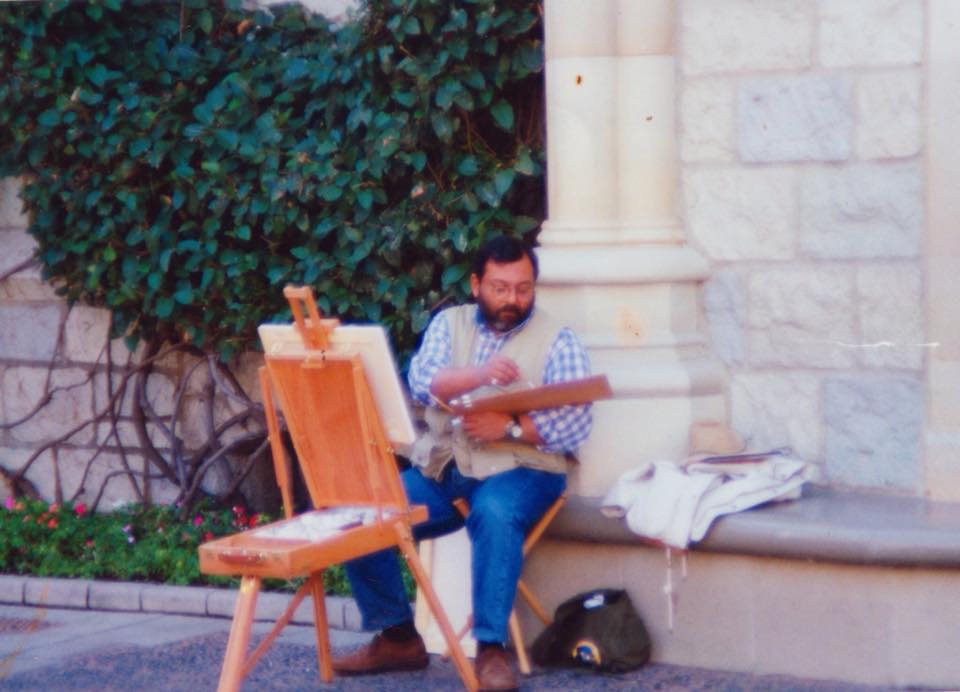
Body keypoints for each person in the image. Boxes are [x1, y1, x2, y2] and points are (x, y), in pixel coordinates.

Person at [332, 235, 593, 691]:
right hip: (448, 467)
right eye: (500, 287)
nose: (513, 299)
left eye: (523, 288)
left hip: (524, 469)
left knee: (495, 512)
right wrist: (480, 374)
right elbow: (421, 382)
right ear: (475, 284)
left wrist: (509, 427)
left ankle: (491, 650)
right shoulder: (448, 324)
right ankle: (397, 637)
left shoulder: (558, 339)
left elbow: (576, 424)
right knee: (363, 511)